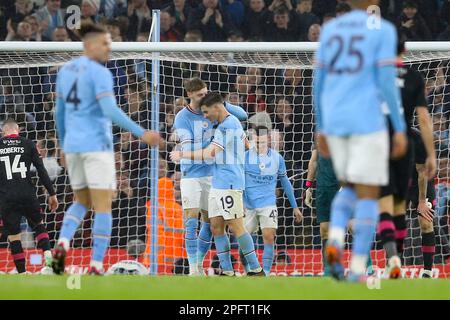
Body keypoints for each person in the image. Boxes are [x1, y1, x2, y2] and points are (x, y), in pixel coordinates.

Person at [52, 22, 159, 275]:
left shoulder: (65, 71)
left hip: (74, 146)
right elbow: (110, 110)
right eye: (105, 43)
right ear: (89, 45)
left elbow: (59, 112)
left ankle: (62, 243)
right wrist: (141, 132)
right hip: (97, 146)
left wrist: (64, 144)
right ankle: (97, 264)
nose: (109, 47)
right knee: (103, 205)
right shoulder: (101, 73)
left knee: (81, 201)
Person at [314, 0, 407, 282]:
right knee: (368, 195)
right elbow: (387, 81)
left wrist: (321, 127)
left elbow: (318, 80)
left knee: (349, 188)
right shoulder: (383, 30)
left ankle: (333, 240)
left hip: (336, 120)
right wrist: (400, 128)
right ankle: (356, 268)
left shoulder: (330, 30)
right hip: (367, 120)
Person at [171, 92, 264, 276]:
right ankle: (227, 272)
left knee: (236, 227)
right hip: (217, 181)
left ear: (216, 107)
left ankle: (256, 269)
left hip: (229, 182)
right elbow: (247, 145)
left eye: (206, 112)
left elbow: (209, 153)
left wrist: (182, 154)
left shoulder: (228, 125)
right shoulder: (228, 124)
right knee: (216, 227)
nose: (204, 116)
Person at [378, 38, 436, 279]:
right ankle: (395, 265)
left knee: (424, 218)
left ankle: (427, 270)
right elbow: (424, 119)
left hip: (417, 178)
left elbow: (423, 171)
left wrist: (422, 201)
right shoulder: (412, 78)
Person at [241, 126, 302, 276]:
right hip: (248, 205)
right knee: (245, 241)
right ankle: (248, 270)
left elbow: (285, 182)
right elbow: (238, 182)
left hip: (268, 204)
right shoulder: (245, 157)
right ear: (253, 140)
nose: (260, 144)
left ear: (268, 140)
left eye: (263, 141)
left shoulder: (277, 158)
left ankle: (266, 273)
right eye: (257, 141)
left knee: (269, 236)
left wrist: (295, 207)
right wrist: (240, 203)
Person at [0, 118, 58, 273]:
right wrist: (52, 194)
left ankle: (22, 272)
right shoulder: (28, 143)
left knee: (14, 236)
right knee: (39, 226)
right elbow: (41, 170)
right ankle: (49, 264)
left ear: (3, 132)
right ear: (18, 131)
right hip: (27, 194)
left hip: (7, 197)